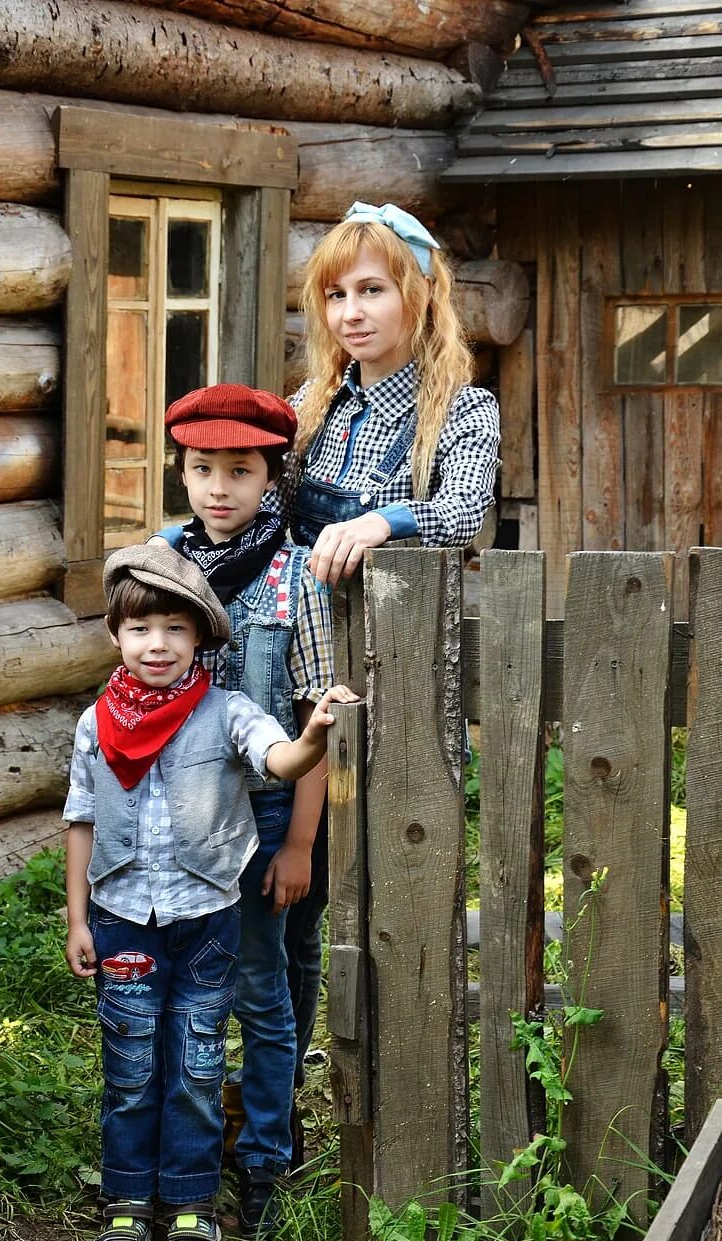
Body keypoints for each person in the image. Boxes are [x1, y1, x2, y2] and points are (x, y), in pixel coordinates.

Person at [63, 542, 355, 1241]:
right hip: (122, 917)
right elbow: (80, 822)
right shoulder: (96, 724)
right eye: (138, 629)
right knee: (129, 1066)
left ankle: (191, 1202)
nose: (155, 644)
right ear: (115, 637)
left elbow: (282, 760)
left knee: (195, 1061)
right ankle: (128, 1204)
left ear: (201, 639)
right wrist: (76, 919)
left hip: (206, 920)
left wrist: (315, 731)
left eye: (174, 629)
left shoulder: (227, 711)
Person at [273, 200, 501, 1098]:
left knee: (393, 887)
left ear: (418, 294)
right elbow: (254, 507)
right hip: (296, 677)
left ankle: (401, 1084)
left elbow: (462, 514)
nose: (351, 313)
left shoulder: (461, 410)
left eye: (372, 290)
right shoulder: (310, 408)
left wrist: (381, 518)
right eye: (334, 295)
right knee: (291, 889)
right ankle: (276, 1102)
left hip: (397, 680)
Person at [161, 382, 333, 1235]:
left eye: (241, 469)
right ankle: (177, 1160)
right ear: (182, 472)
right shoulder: (163, 563)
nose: (219, 487)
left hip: (264, 823)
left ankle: (265, 1161)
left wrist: (298, 844)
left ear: (272, 476)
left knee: (262, 994)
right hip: (175, 823)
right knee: (181, 992)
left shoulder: (293, 574)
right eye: (202, 468)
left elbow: (315, 721)